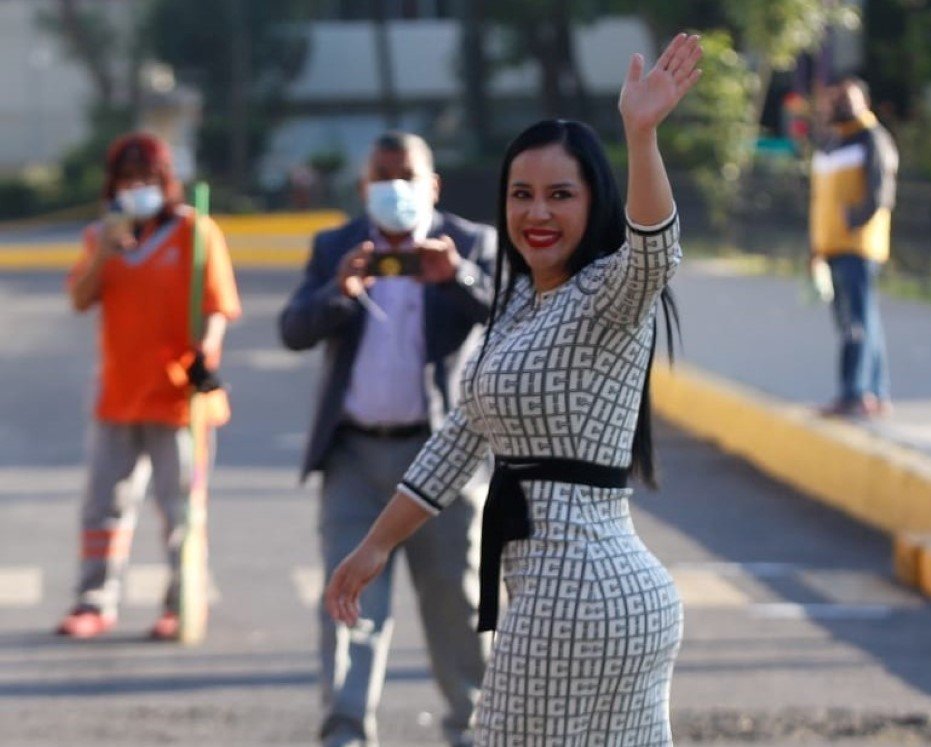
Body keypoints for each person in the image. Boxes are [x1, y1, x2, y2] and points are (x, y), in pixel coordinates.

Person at [325, 33, 703, 746]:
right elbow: (457, 442)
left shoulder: (607, 293)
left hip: (574, 594)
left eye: (561, 195)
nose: (538, 213)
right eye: (521, 195)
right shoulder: (522, 304)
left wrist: (641, 135)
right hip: (594, 595)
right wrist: (375, 546)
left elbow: (654, 251)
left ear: (595, 200)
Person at [279, 131, 495, 747]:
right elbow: (293, 329)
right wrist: (337, 293)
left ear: (433, 186)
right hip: (353, 458)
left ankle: (472, 727)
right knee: (349, 597)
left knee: (455, 601)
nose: (394, 188)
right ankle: (345, 730)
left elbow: (514, 316)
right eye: (382, 177)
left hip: (444, 460)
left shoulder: (471, 243)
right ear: (363, 187)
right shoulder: (337, 246)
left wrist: (456, 278)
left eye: (407, 176)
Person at [58, 132, 241, 641]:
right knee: (103, 507)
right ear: (113, 185)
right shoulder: (101, 236)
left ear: (165, 181)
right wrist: (103, 253)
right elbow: (80, 298)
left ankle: (181, 601)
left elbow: (217, 306)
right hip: (118, 395)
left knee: (180, 508)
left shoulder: (195, 232)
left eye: (147, 178)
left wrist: (206, 354)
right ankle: (95, 601)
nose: (137, 187)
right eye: (127, 179)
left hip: (180, 396)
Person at [809, 75, 899, 418]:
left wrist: (852, 221)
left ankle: (854, 394)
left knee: (855, 322)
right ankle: (873, 393)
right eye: (836, 99)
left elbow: (881, 193)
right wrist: (815, 247)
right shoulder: (832, 142)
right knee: (861, 320)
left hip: (858, 247)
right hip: (831, 246)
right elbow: (820, 201)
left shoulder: (872, 139)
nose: (839, 106)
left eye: (847, 99)